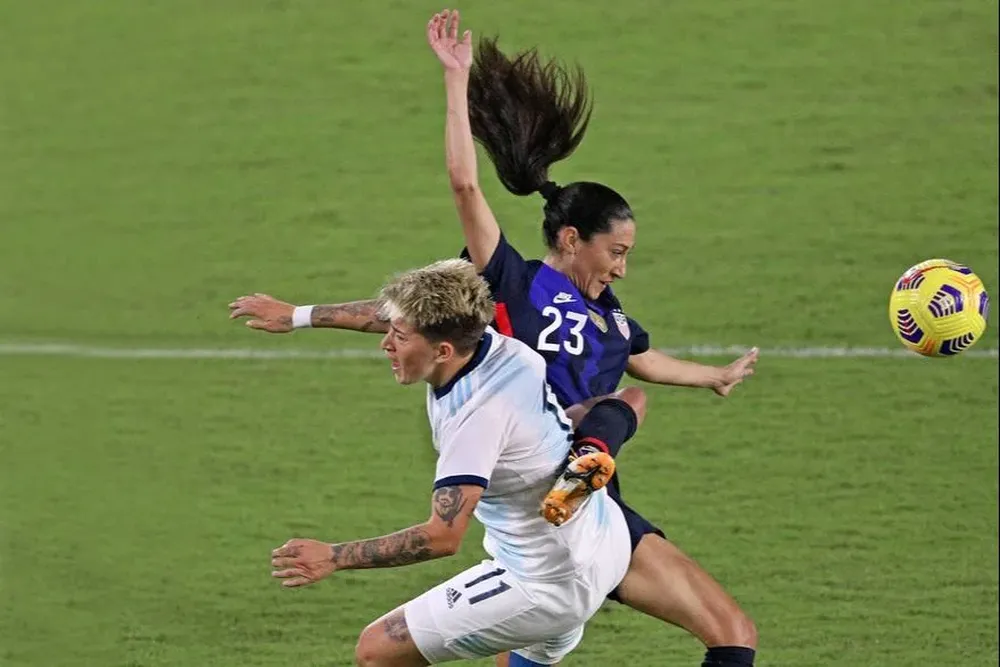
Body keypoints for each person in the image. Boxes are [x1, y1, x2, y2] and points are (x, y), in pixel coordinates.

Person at [230, 10, 760, 666]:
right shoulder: (512, 286)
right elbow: (433, 255)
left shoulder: (603, 326)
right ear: (572, 239)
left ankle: (583, 466)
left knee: (625, 418)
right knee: (620, 415)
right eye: (615, 251)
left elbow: (643, 366)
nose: (621, 267)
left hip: (572, 514)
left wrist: (711, 375)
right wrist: (304, 314)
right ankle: (583, 462)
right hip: (559, 501)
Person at [267, 258, 630, 666]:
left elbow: (442, 536)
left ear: (442, 350)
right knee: (520, 654)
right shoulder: (490, 340)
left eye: (399, 337)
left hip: (544, 583)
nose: (385, 343)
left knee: (377, 650)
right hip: (602, 541)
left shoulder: (475, 418)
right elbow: (393, 314)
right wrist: (297, 316)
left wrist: (334, 556)